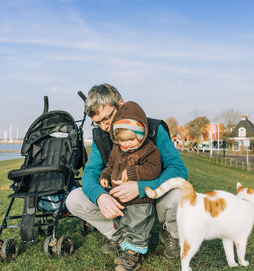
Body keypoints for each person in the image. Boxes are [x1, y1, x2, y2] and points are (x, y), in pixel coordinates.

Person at [66, 83, 188, 270]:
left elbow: (178, 170)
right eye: (97, 122)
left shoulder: (154, 128)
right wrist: (101, 196)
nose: (104, 127)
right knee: (74, 199)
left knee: (179, 193)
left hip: (154, 198)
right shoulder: (100, 136)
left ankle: (171, 232)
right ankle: (121, 237)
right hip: (124, 202)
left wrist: (140, 187)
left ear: (121, 105)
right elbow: (90, 173)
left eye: (107, 118)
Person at [99, 101, 161, 270]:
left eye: (130, 140)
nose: (126, 145)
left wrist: (134, 173)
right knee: (122, 223)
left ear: (141, 135)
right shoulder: (118, 149)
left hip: (140, 200)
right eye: (121, 141)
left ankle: (135, 253)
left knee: (138, 226)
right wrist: (105, 175)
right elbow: (111, 164)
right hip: (119, 196)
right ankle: (127, 247)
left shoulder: (149, 149)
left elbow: (154, 169)